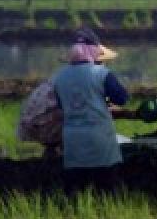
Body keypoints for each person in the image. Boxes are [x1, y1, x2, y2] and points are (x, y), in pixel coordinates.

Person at [51, 29, 131, 188]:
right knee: (106, 184)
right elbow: (122, 98)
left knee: (77, 187)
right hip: (99, 137)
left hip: (73, 139)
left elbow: (61, 106)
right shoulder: (102, 74)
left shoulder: (59, 77)